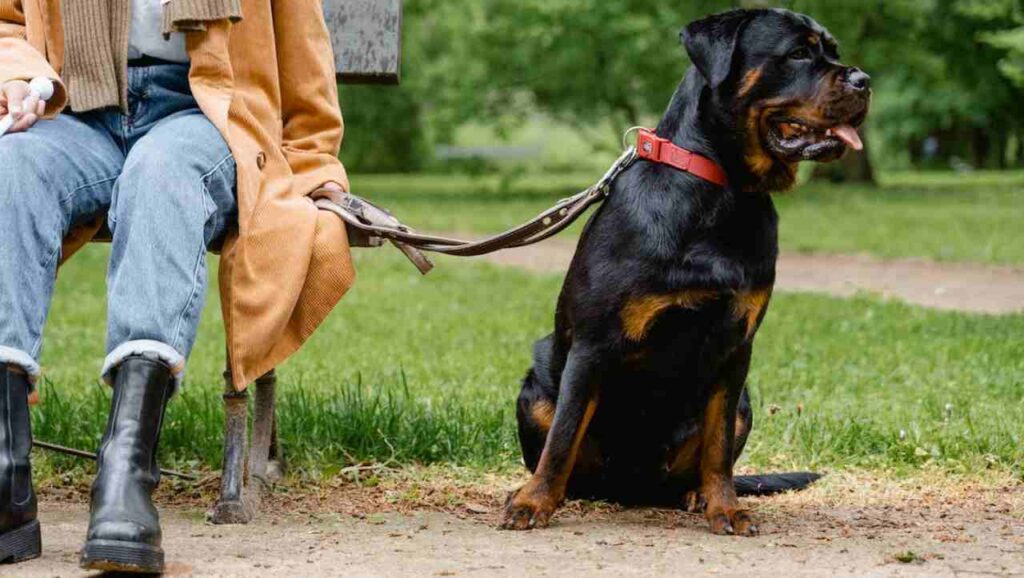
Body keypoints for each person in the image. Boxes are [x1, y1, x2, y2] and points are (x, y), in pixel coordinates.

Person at [0, 0, 355, 572]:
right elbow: (9, 22)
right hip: (80, 106)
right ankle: (5, 472)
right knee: (10, 170)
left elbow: (301, 51)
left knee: (161, 175)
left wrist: (316, 166)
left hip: (205, 112)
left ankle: (126, 474)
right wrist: (16, 75)